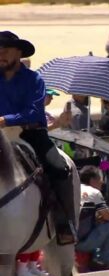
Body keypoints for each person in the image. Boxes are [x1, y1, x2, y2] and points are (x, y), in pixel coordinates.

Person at [0, 31, 76, 245]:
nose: (1, 53)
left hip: (31, 133)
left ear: (18, 52)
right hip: (0, 136)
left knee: (59, 168)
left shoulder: (34, 79)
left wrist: (6, 119)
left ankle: (64, 223)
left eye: (6, 49)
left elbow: (34, 112)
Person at [76, 165, 109, 271]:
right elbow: (108, 217)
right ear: (92, 180)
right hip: (82, 243)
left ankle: (94, 258)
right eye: (100, 180)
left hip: (63, 239)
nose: (102, 184)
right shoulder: (94, 192)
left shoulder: (69, 189)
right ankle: (104, 261)